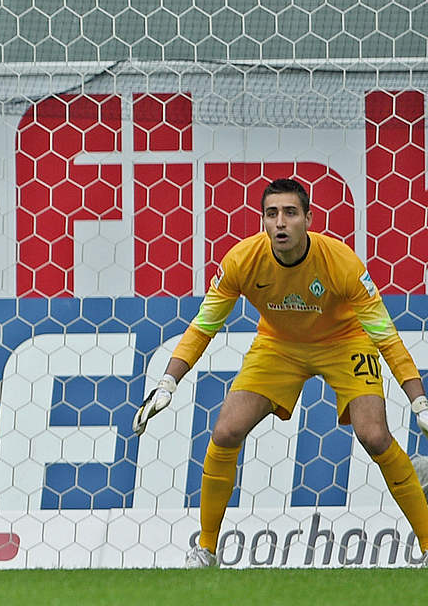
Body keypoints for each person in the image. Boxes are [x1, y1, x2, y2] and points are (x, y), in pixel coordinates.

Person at [133, 178, 428, 568]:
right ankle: (205, 550)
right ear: (263, 221)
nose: (281, 222)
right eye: (272, 214)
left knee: (374, 435)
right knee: (225, 430)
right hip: (278, 345)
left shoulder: (342, 263)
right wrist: (167, 381)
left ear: (308, 218)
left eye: (290, 213)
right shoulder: (241, 260)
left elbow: (385, 336)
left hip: (344, 342)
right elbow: (204, 324)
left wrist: (418, 400)